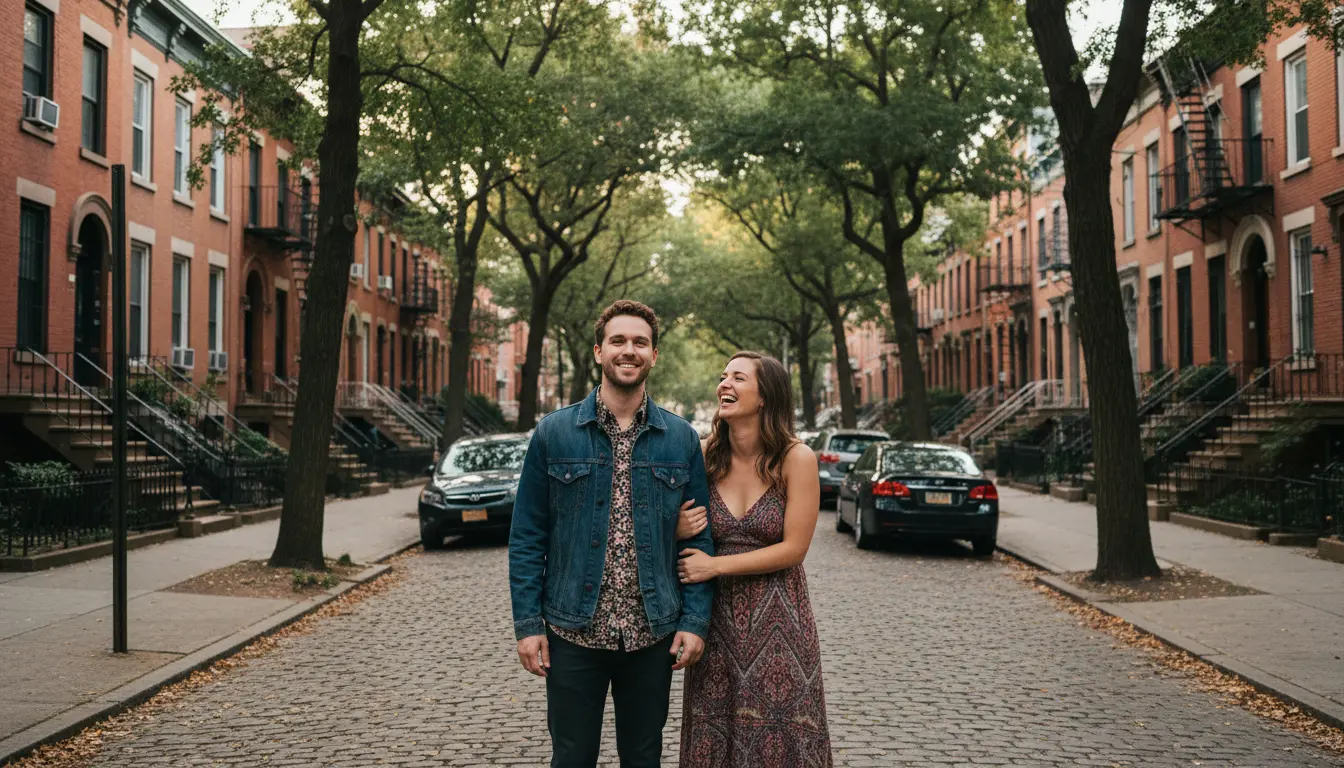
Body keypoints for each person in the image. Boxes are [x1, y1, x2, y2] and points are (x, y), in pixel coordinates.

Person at [509, 299, 716, 767]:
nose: (629, 350)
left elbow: (698, 540)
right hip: (571, 631)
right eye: (618, 341)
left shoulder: (681, 438)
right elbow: (527, 536)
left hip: (652, 633)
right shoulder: (554, 433)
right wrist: (528, 626)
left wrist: (693, 621)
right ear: (598, 352)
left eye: (640, 342)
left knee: (643, 759)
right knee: (572, 757)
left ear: (654, 355)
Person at [676, 351, 832, 767]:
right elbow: (672, 522)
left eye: (738, 378)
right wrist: (674, 529)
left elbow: (794, 549)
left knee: (780, 737)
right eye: (723, 376)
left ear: (765, 396)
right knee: (715, 730)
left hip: (780, 623)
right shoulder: (705, 456)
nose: (724, 384)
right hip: (717, 621)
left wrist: (715, 566)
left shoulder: (796, 458)